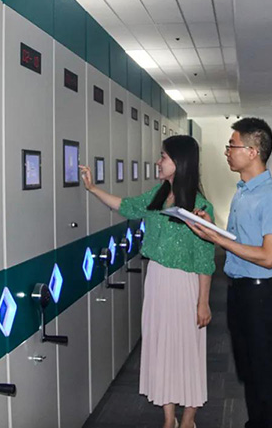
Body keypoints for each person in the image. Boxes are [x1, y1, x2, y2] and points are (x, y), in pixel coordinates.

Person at [79, 135, 215, 428]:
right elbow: (126, 206)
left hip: (185, 284)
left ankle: (188, 419)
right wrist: (93, 188)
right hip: (157, 280)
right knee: (160, 348)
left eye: (163, 156)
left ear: (179, 162)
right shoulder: (158, 195)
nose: (158, 161)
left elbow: (205, 260)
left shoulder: (200, 206)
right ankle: (168, 419)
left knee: (187, 351)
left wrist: (203, 302)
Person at [187, 117, 272, 428]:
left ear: (252, 151)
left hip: (260, 295)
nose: (227, 151)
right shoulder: (243, 192)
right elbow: (241, 242)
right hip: (240, 291)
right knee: (249, 371)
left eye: (231, 145)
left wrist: (219, 240)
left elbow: (268, 256)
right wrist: (212, 228)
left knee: (266, 373)